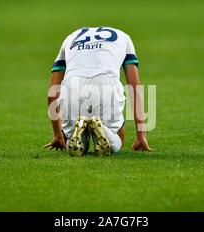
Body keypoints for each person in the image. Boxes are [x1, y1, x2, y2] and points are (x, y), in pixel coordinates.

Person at [45, 26, 151, 156]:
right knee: (118, 139)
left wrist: (57, 134)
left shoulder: (71, 37)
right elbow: (134, 89)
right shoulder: (124, 37)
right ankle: (104, 131)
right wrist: (141, 136)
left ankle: (80, 133)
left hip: (72, 87)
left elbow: (52, 93)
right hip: (105, 85)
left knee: (72, 142)